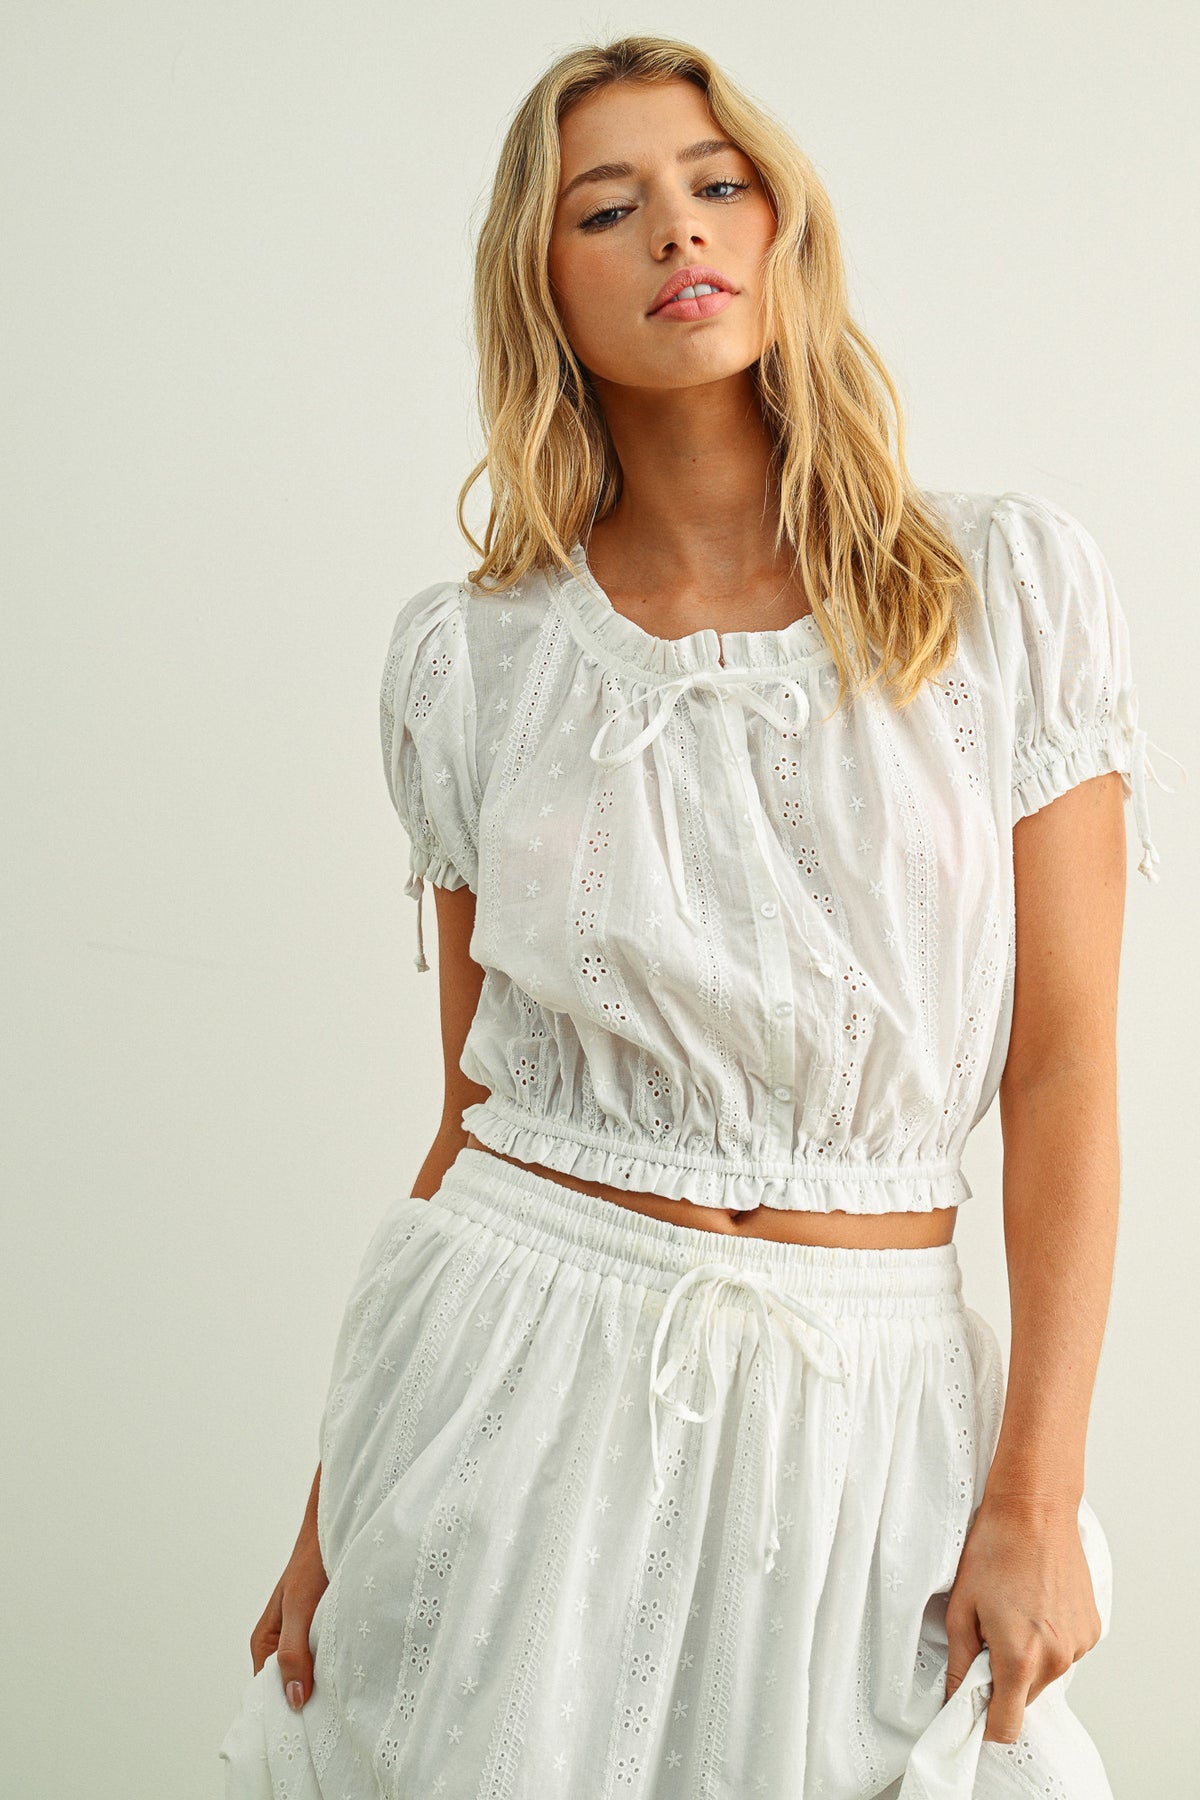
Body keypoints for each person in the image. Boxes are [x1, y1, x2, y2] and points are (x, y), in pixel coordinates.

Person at [218, 34, 1184, 1799]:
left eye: (715, 183)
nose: (678, 229)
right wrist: (336, 1498)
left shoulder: (1003, 597)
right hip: (505, 1379)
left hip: (867, 1410)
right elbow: (468, 1115)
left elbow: (1063, 1073)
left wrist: (1035, 1493)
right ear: (544, 291)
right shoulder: (473, 662)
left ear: (780, 226)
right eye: (610, 206)